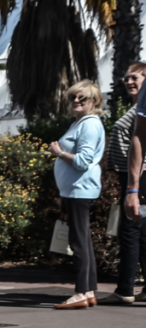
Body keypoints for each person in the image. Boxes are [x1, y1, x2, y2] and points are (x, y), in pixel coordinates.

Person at [51, 79, 106, 309]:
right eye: (73, 97)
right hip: (75, 189)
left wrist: (59, 152)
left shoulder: (89, 124)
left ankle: (81, 292)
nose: (75, 101)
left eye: (82, 98)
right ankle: (89, 290)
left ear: (93, 102)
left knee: (79, 241)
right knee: (82, 240)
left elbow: (83, 161)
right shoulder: (80, 123)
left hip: (80, 189)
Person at [106, 63, 146, 303]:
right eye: (126, 79)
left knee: (130, 232)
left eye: (135, 78)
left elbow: (141, 141)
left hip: (138, 179)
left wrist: (134, 186)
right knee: (140, 234)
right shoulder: (136, 108)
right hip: (131, 178)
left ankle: (125, 289)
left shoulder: (138, 114)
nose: (130, 82)